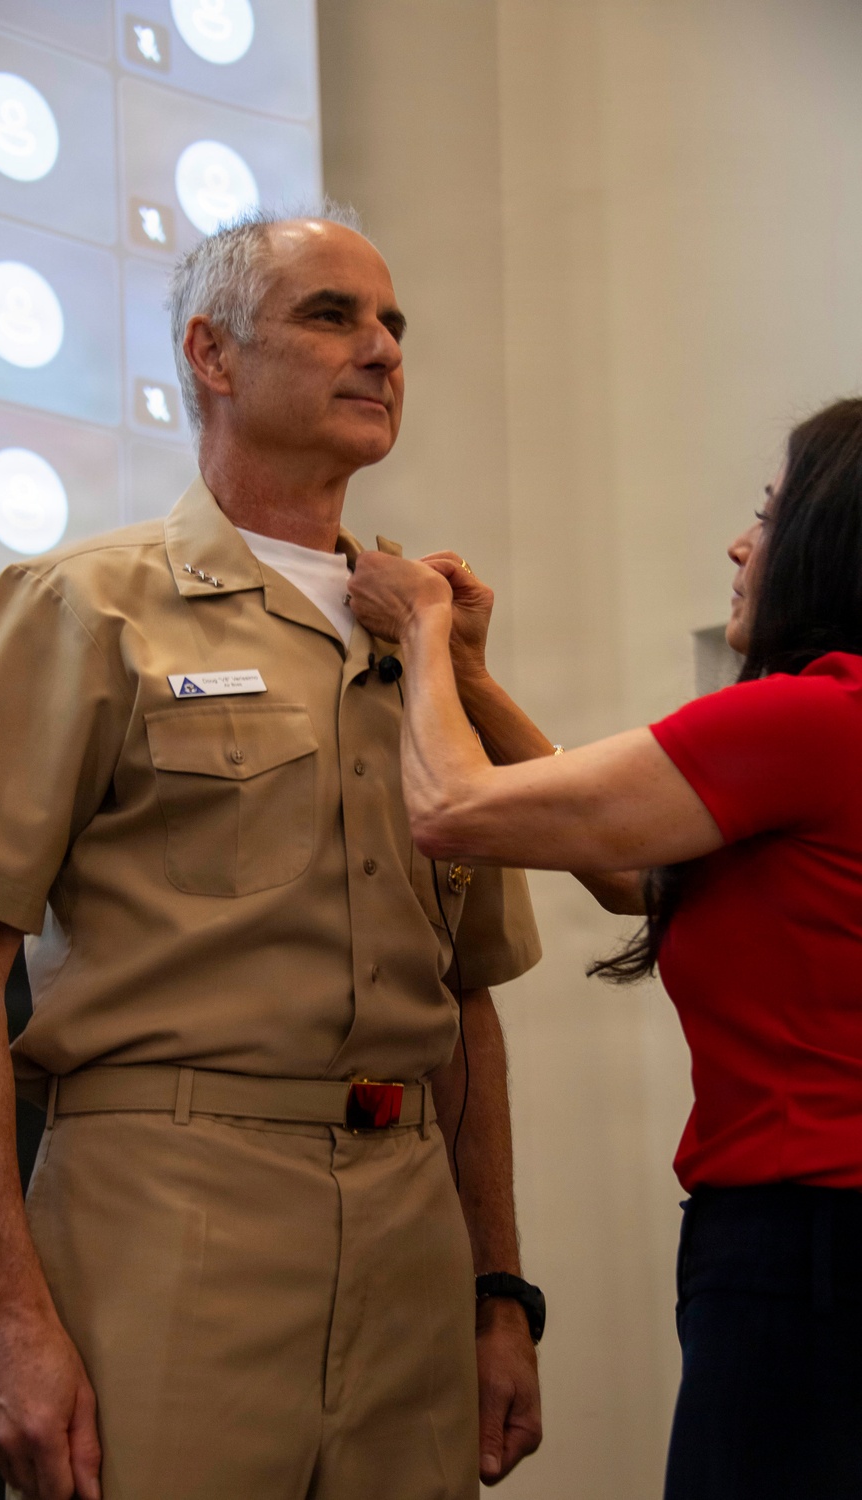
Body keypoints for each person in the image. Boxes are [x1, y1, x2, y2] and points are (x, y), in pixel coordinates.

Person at [0, 208, 546, 1500]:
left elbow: (468, 1002)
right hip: (169, 1217)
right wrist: (7, 1317)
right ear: (211, 355)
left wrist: (497, 1290)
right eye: (331, 316)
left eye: (394, 324)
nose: (384, 350)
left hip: (411, 1232)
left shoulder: (427, 642)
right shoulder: (87, 604)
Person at [347, 395, 862, 1500]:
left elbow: (450, 807)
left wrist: (423, 633)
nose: (739, 544)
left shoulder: (809, 720)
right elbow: (634, 873)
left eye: (767, 516)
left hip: (804, 1241)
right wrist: (475, 683)